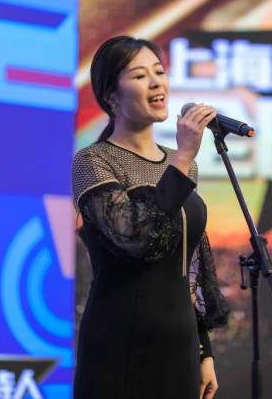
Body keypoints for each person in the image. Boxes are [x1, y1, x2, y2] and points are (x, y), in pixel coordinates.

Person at [71, 36, 230, 398]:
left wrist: (203, 350)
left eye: (159, 72)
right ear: (111, 97)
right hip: (120, 342)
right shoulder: (93, 161)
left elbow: (188, 266)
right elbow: (137, 238)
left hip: (179, 345)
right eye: (140, 76)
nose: (156, 83)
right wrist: (184, 157)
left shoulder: (180, 164)